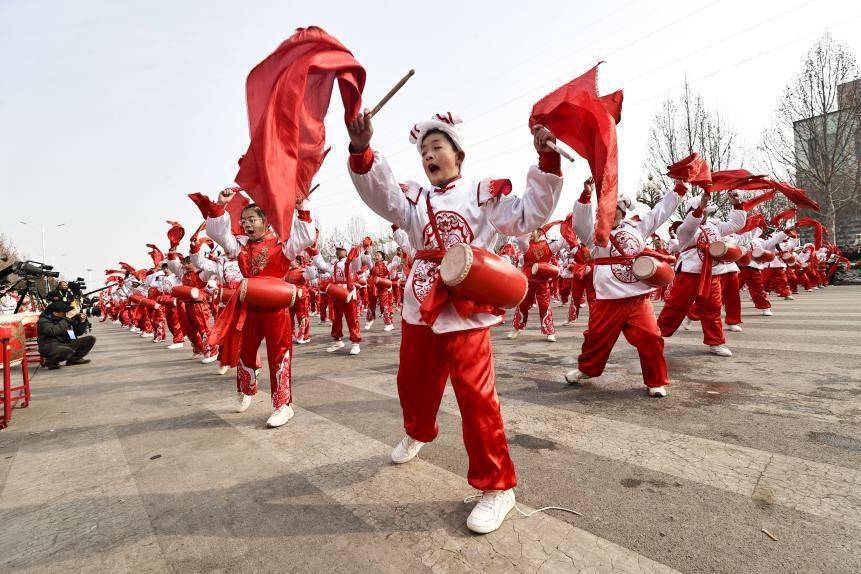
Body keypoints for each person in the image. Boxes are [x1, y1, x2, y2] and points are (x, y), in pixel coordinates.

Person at [347, 109, 563, 534]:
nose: (429, 155)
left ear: (458, 154)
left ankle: (498, 487)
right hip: (421, 301)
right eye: (424, 150)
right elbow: (380, 195)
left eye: (437, 147)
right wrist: (361, 148)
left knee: (476, 399)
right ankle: (417, 431)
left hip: (467, 303)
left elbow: (527, 216)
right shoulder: (415, 201)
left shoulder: (483, 195)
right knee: (412, 383)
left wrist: (547, 162)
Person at [566, 177, 686, 397]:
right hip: (608, 298)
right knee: (596, 338)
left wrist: (679, 188)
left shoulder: (638, 228)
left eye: (613, 211)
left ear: (621, 213)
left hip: (638, 297)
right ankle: (586, 369)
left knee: (651, 336)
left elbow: (660, 212)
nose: (608, 216)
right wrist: (586, 195)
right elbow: (579, 225)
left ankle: (655, 380)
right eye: (604, 212)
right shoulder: (595, 235)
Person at [206, 191, 315, 428]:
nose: (246, 225)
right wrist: (220, 205)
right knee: (244, 351)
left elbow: (306, 236)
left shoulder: (283, 244)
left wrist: (302, 207)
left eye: (251, 220)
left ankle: (283, 405)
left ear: (265, 221)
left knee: (279, 355)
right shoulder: (240, 247)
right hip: (250, 307)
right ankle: (246, 390)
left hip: (276, 307)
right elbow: (217, 233)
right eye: (243, 221)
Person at [36, 301, 96, 369]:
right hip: (50, 347)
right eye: (64, 312)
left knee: (90, 339)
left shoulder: (64, 319)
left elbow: (77, 333)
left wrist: (82, 322)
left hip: (64, 344)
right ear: (55, 313)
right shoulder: (43, 321)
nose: (66, 313)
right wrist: (67, 319)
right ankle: (51, 362)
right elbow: (53, 331)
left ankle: (74, 359)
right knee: (66, 350)